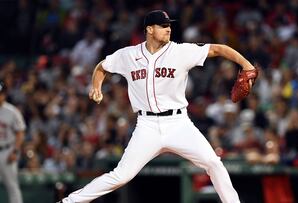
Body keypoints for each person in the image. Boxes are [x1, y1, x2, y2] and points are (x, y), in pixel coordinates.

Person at [59, 10, 256, 203]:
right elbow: (102, 66)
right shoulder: (129, 55)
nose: (168, 29)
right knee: (121, 176)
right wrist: (96, 86)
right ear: (150, 29)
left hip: (178, 123)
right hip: (147, 125)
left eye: (169, 25)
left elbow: (219, 49)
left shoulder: (180, 51)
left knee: (213, 163)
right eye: (163, 26)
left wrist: (247, 65)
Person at [0, 81, 26, 203]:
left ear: (5, 94)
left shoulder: (12, 111)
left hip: (7, 151)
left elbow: (20, 133)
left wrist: (15, 151)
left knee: (12, 186)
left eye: (1, 94)